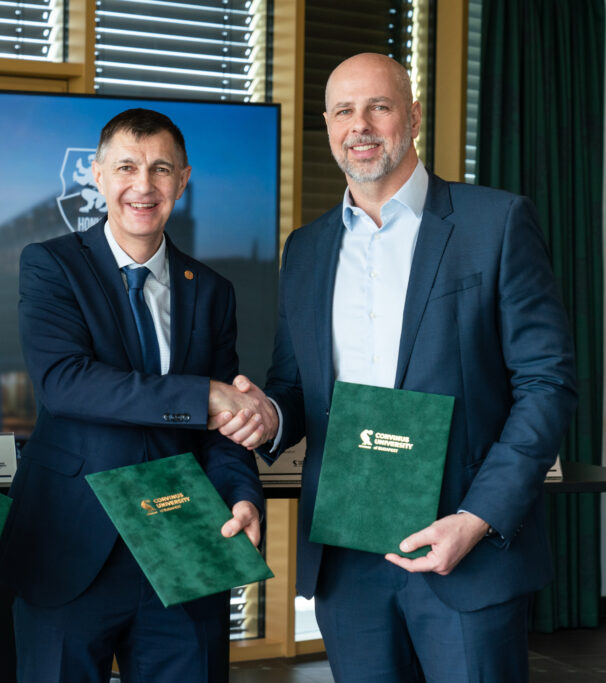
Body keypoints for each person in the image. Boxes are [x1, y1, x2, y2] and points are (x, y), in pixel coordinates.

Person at [213, 53, 577, 681]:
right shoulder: (306, 249)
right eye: (344, 111)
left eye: (378, 107)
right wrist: (268, 415)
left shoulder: (495, 222)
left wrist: (477, 518)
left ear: (412, 117)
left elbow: (547, 383)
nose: (360, 125)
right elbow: (295, 386)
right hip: (347, 554)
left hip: (466, 543)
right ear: (328, 125)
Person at [2, 108, 265, 682]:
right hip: (70, 548)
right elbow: (66, 382)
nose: (142, 186)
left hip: (185, 547)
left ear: (183, 181)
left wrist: (242, 494)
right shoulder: (51, 265)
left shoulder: (212, 291)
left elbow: (225, 428)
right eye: (126, 168)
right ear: (98, 176)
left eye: (160, 169)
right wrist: (203, 396)